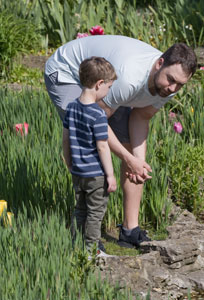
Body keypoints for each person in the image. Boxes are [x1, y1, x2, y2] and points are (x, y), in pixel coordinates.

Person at [45, 35, 197, 248]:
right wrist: (128, 157)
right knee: (92, 150)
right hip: (66, 72)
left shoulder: (167, 86)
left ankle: (130, 230)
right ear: (159, 63)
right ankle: (86, 239)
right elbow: (96, 124)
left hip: (108, 87)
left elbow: (140, 117)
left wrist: (138, 162)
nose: (172, 89)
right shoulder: (130, 76)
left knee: (131, 155)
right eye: (170, 80)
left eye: (179, 85)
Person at [62, 56, 117, 254]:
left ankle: (76, 244)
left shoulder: (71, 108)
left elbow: (65, 139)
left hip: (77, 171)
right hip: (95, 174)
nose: (108, 91)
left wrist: (69, 163)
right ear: (99, 84)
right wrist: (110, 175)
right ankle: (92, 249)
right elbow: (103, 147)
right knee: (95, 212)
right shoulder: (97, 114)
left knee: (80, 209)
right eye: (109, 87)